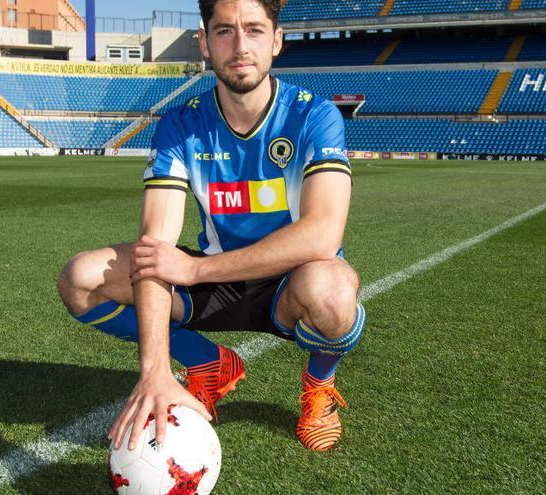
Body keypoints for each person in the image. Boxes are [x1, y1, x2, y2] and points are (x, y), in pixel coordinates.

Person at [57, 0, 365, 453]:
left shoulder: (313, 116)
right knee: (81, 279)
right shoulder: (182, 125)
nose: (241, 46)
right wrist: (154, 370)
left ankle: (319, 382)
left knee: (334, 293)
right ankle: (208, 363)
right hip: (221, 284)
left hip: (290, 284)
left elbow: (322, 235)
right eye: (224, 31)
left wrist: (195, 271)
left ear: (277, 41)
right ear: (204, 42)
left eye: (255, 30)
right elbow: (154, 245)